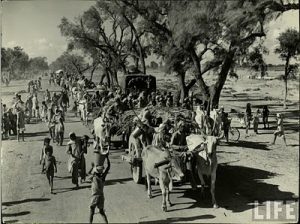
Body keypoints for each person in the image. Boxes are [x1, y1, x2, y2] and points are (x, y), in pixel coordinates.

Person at [170, 121, 197, 189]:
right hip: (176, 153)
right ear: (179, 127)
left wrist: (186, 147)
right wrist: (179, 147)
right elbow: (171, 145)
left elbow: (186, 143)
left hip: (183, 152)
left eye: (184, 127)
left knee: (190, 163)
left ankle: (193, 184)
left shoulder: (184, 134)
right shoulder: (175, 134)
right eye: (182, 127)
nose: (183, 128)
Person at [88, 155, 110, 224]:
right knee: (101, 212)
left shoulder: (93, 177)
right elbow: (108, 168)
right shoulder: (102, 177)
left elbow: (88, 174)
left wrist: (92, 167)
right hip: (101, 196)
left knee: (91, 211)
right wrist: (107, 158)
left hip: (94, 196)